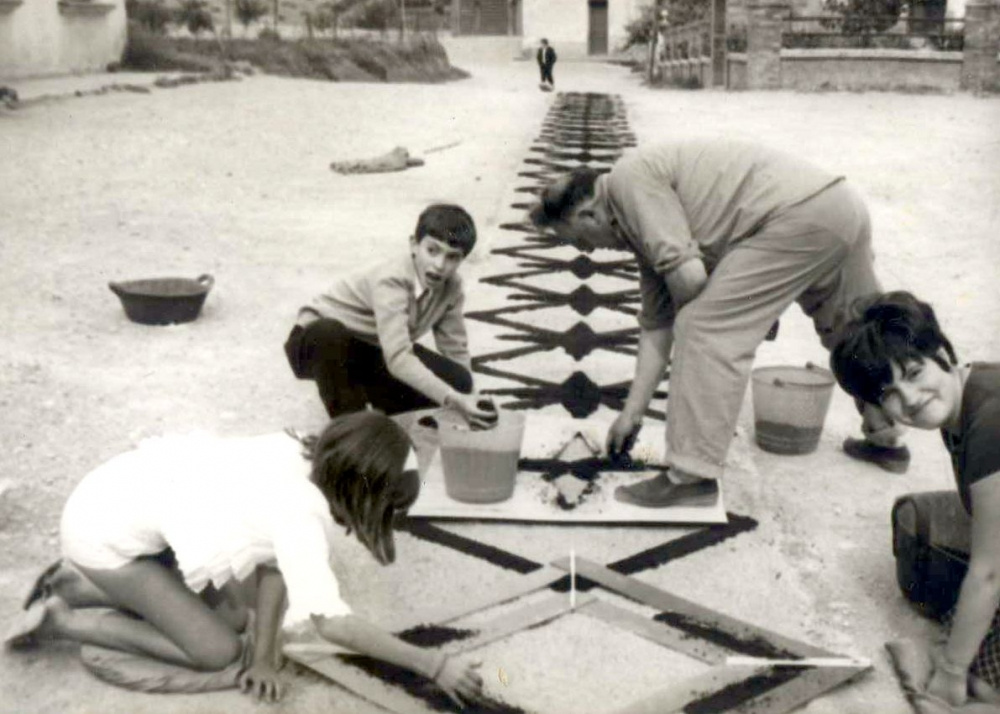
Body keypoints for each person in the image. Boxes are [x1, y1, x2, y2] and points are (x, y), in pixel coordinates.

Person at [4, 411, 484, 707]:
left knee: (236, 613)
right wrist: (433, 665)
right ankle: (63, 619)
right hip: (100, 534)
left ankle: (80, 586)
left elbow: (273, 564)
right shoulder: (302, 516)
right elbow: (331, 623)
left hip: (117, 495)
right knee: (217, 651)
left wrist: (266, 656)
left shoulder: (304, 450)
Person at [528, 138, 908, 508]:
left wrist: (741, 314)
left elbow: (690, 282)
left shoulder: (628, 179)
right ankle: (885, 436)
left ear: (589, 214)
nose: (589, 251)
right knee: (856, 328)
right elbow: (656, 326)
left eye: (580, 240)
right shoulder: (640, 222)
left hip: (797, 216)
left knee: (703, 328)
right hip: (839, 206)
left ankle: (690, 479)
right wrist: (632, 412)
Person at [831, 291, 1000, 707]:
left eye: (913, 372)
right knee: (966, 632)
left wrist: (951, 672)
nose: (908, 398)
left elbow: (991, 572)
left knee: (974, 670)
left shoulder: (991, 420)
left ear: (940, 352)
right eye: (889, 392)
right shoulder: (964, 396)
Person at [284, 204, 496, 430]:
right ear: (414, 245)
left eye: (452, 257)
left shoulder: (452, 287)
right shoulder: (391, 279)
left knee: (459, 381)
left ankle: (376, 401)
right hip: (317, 342)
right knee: (329, 333)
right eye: (432, 250)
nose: (439, 265)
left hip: (372, 348)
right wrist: (452, 398)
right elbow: (397, 359)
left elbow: (454, 350)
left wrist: (468, 397)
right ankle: (353, 432)